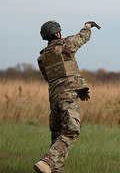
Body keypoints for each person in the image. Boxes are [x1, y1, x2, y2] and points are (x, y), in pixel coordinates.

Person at [34, 20, 100, 173]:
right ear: (57, 33)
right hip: (68, 96)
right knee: (72, 130)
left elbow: (48, 78)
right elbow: (82, 37)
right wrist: (88, 26)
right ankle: (46, 161)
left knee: (58, 136)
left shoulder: (42, 57)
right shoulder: (65, 45)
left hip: (54, 98)